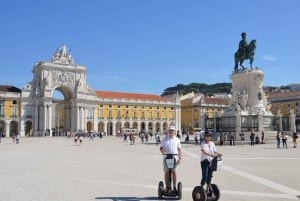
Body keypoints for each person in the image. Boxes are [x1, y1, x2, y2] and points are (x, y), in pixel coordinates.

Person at [160, 126, 182, 192]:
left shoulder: (177, 139)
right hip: (166, 158)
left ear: (174, 132)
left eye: (172, 130)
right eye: (170, 130)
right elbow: (161, 147)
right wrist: (163, 152)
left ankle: (174, 186)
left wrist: (180, 158)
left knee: (174, 172)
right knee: (166, 172)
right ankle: (167, 186)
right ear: (168, 131)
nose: (171, 132)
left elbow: (179, 149)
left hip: (174, 158)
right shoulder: (164, 139)